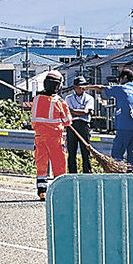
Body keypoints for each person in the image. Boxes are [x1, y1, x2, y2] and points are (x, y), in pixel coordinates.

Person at [85, 69, 133, 173]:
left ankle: (118, 175)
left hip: (123, 127)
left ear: (124, 78)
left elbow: (102, 88)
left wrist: (87, 87)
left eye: (120, 78)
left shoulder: (121, 89)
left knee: (117, 154)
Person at [31, 70, 72, 200]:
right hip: (55, 138)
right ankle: (61, 191)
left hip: (39, 137)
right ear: (57, 86)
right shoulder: (59, 101)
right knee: (59, 165)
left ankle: (42, 190)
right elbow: (67, 121)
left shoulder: (36, 99)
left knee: (41, 165)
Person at [64, 76, 95, 174]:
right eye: (79, 86)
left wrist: (74, 111)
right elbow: (68, 112)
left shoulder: (89, 98)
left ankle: (87, 173)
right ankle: (72, 173)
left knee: (86, 151)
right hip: (72, 125)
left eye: (83, 86)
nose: (82, 88)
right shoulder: (68, 98)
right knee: (71, 151)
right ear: (75, 87)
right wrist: (77, 112)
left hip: (84, 125)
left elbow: (87, 112)